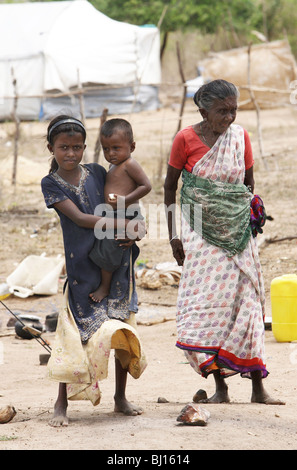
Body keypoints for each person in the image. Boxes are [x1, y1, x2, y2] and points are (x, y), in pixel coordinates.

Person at [164, 79, 284, 405]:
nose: (229, 118)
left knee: (247, 305)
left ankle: (259, 387)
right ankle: (222, 388)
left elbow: (248, 184)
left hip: (239, 234)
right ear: (203, 111)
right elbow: (169, 188)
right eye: (221, 111)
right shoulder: (185, 139)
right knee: (211, 308)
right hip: (199, 235)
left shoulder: (240, 136)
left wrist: (246, 215)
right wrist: (174, 236)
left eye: (233, 110)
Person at [41, 115, 147, 427]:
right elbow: (81, 219)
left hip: (116, 260)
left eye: (76, 147)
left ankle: (120, 397)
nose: (70, 153)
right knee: (74, 334)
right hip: (81, 267)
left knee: (120, 329)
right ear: (51, 148)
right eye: (64, 148)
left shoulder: (98, 172)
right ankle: (61, 403)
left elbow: (128, 202)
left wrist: (136, 226)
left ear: (86, 148)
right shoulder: (51, 184)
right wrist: (126, 225)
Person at [89, 118, 151, 303]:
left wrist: (124, 200)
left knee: (110, 249)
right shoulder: (114, 165)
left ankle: (105, 288)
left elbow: (146, 186)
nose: (110, 153)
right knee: (103, 246)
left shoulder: (130, 164)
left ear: (131, 146)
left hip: (126, 213)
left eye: (116, 148)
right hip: (115, 214)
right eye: (106, 149)